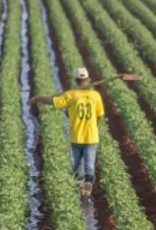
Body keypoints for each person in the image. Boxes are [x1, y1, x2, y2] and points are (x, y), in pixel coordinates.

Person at [30, 66, 105, 196]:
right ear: (88, 80)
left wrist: (38, 98)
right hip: (92, 136)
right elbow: (100, 115)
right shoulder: (95, 96)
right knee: (89, 166)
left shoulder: (71, 95)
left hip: (77, 137)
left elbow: (53, 102)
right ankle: (88, 187)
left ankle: (81, 189)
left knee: (77, 167)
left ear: (76, 81)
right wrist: (95, 127)